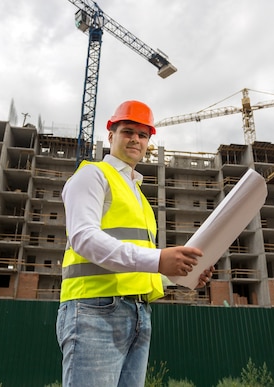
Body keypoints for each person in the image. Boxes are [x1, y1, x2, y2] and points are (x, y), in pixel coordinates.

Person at [56, 100, 213, 386]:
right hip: (95, 310)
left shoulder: (139, 197)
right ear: (111, 135)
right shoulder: (92, 174)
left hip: (138, 313)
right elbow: (82, 237)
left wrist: (179, 276)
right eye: (128, 131)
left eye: (143, 135)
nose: (136, 139)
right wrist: (158, 259)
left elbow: (137, 267)